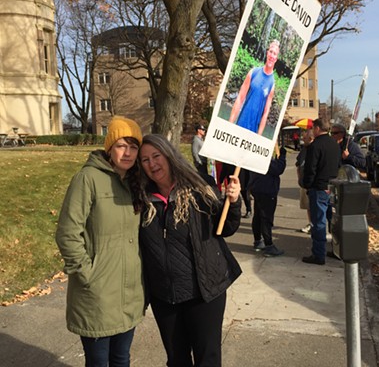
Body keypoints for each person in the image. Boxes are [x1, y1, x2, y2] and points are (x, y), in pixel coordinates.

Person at [138, 134, 242, 367]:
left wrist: (233, 202)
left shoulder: (199, 186)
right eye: (145, 160)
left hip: (203, 292)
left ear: (169, 155)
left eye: (156, 156)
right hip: (165, 296)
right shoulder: (141, 199)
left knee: (207, 359)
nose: (152, 164)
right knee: (176, 361)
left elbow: (225, 228)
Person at [55, 116, 145, 366]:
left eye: (133, 146)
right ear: (109, 147)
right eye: (121, 145)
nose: (127, 152)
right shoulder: (88, 179)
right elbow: (67, 233)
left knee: (121, 359)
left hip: (130, 293)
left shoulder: (135, 183)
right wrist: (87, 274)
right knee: (98, 362)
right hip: (98, 294)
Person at [302, 118, 340, 265]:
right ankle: (337, 250)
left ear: (317, 128)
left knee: (318, 222)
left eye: (313, 128)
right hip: (333, 186)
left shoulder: (315, 146)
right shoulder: (334, 144)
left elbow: (310, 169)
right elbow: (338, 165)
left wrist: (307, 185)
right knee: (333, 220)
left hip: (318, 187)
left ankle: (318, 255)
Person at [229, 39, 280, 135]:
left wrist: (258, 137)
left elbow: (265, 114)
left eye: (275, 54)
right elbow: (239, 99)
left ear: (276, 58)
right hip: (240, 124)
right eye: (271, 52)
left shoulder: (272, 84)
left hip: (253, 132)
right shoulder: (253, 72)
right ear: (267, 53)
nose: (272, 55)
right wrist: (230, 124)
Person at [248, 146, 287, 255]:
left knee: (258, 217)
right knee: (266, 218)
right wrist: (282, 157)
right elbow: (278, 169)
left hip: (258, 189)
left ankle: (257, 241)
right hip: (267, 190)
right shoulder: (263, 159)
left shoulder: (254, 157)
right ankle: (269, 245)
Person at [295, 129, 314, 234]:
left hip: (311, 183)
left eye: (304, 138)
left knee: (313, 205)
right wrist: (299, 177)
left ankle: (314, 225)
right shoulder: (304, 150)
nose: (303, 140)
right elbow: (298, 163)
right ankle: (310, 223)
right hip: (303, 182)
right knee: (307, 206)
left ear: (311, 138)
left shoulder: (315, 148)